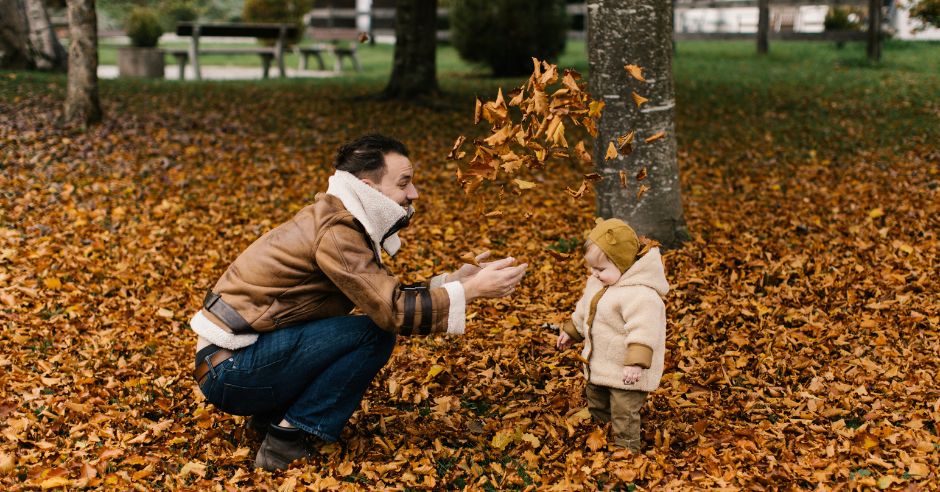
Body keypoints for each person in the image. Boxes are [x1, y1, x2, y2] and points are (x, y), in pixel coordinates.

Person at [189, 134, 528, 471]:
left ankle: (271, 420)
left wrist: (454, 282)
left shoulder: (338, 218)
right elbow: (390, 311)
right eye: (404, 183)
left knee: (364, 328)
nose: (414, 193)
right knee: (374, 333)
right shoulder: (338, 230)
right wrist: (471, 291)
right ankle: (284, 441)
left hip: (234, 362)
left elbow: (378, 296)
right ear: (369, 187)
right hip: (230, 372)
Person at [556, 218, 669, 452]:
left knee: (623, 411)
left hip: (627, 371)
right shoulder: (597, 284)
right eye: (591, 268)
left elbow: (644, 330)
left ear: (623, 264)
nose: (594, 274)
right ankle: (601, 434)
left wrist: (636, 363)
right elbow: (584, 310)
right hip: (600, 364)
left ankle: (626, 450)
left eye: (600, 269)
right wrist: (572, 331)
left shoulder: (641, 295)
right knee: (596, 399)